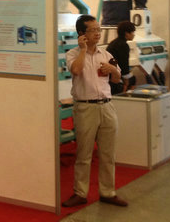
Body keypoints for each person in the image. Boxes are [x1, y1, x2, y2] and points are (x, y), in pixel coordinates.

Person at [62, 15, 127, 208]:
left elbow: (117, 79)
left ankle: (108, 192)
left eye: (99, 30)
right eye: (93, 30)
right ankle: (80, 193)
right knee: (84, 154)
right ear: (81, 34)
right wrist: (83, 50)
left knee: (108, 154)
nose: (98, 33)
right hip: (85, 107)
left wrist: (112, 70)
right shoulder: (72, 54)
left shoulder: (105, 54)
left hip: (107, 106)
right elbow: (76, 70)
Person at [106, 21, 136, 95]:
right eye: (132, 32)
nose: (134, 34)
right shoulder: (123, 45)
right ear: (126, 33)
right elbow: (124, 66)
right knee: (133, 79)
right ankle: (126, 95)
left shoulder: (113, 43)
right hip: (115, 75)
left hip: (109, 74)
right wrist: (126, 80)